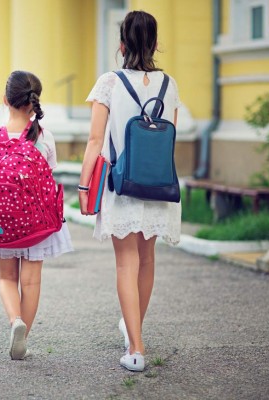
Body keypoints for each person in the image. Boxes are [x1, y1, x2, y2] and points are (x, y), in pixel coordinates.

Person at [78, 11, 181, 372]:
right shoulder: (170, 85)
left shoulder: (110, 82)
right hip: (158, 183)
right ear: (153, 43)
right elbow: (170, 138)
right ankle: (133, 329)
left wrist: (83, 183)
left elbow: (95, 140)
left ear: (121, 44)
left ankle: (136, 348)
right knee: (147, 258)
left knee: (126, 261)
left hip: (121, 185)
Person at [0, 70, 73, 360]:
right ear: (34, 103)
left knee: (6, 278)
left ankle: (14, 320)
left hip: (2, 221)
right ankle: (24, 338)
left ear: (4, 100)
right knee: (31, 282)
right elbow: (49, 174)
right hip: (36, 222)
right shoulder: (44, 136)